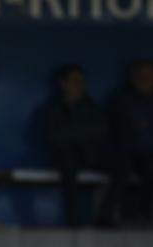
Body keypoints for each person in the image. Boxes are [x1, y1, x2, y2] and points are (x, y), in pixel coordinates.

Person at [43, 65, 109, 227]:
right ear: (62, 83)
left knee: (122, 165)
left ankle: (106, 217)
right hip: (66, 158)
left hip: (91, 155)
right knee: (68, 162)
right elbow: (55, 137)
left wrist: (74, 135)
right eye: (74, 81)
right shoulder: (53, 108)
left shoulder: (92, 107)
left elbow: (100, 132)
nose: (79, 85)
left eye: (81, 82)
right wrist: (78, 135)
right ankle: (72, 222)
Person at [108, 59, 153, 225]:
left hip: (148, 154)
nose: (145, 79)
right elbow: (121, 131)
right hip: (126, 152)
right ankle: (110, 216)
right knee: (123, 168)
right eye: (141, 75)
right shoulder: (123, 99)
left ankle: (145, 214)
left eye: (149, 75)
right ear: (132, 77)